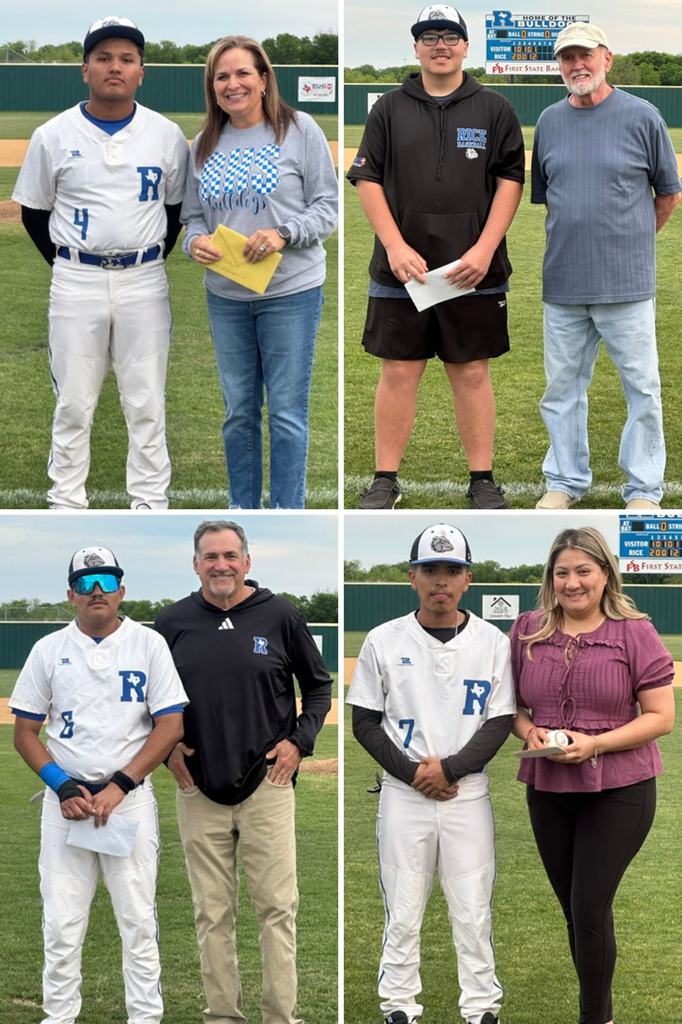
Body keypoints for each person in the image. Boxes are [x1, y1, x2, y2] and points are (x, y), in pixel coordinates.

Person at [154, 519, 333, 1024]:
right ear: (195, 565)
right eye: (210, 557)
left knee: (277, 909)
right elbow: (148, 701)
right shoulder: (171, 623)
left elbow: (319, 688)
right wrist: (166, 750)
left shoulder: (280, 615)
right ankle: (222, 1017)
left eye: (230, 555)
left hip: (268, 784)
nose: (221, 565)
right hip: (198, 788)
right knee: (212, 914)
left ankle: (281, 1017)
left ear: (247, 562)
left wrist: (299, 743)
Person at [347, 5, 524, 510]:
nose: (439, 44)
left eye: (450, 36)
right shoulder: (388, 107)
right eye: (429, 36)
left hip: (473, 268)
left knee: (470, 371)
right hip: (402, 270)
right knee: (399, 371)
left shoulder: (494, 108)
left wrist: (485, 249)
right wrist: (396, 245)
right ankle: (385, 479)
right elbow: (367, 177)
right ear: (416, 47)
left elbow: (510, 180)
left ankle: (482, 479)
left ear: (466, 47)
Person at [12, 17, 189, 510]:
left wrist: (143, 257)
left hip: (144, 279)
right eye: (104, 57)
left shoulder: (167, 134)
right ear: (84, 69)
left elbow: (174, 213)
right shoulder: (52, 134)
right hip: (76, 279)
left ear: (141, 72)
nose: (116, 66)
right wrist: (71, 264)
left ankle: (150, 503)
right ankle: (66, 501)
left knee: (147, 402)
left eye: (127, 59)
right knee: (73, 403)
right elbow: (34, 213)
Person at [9, 544, 187, 1024]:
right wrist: (62, 786)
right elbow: (25, 732)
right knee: (62, 925)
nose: (96, 592)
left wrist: (122, 783)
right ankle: (59, 1016)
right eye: (85, 584)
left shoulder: (149, 644)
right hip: (66, 804)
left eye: (106, 582)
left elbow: (170, 725)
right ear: (70, 595)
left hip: (126, 803)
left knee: (137, 922)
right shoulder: (48, 649)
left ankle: (145, 1018)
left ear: (122, 590)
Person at [347, 524, 516, 1024]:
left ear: (468, 579)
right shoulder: (383, 638)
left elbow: (501, 720)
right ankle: (399, 1005)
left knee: (472, 910)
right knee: (402, 909)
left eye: (452, 570)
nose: (440, 579)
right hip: (404, 794)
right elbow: (363, 721)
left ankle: (482, 1008)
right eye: (429, 570)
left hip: (468, 794)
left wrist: (449, 769)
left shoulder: (493, 642)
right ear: (412, 577)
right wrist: (417, 774)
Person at [510, 527, 675, 1024]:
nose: (573, 582)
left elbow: (660, 717)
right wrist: (531, 732)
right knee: (577, 913)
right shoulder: (526, 629)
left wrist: (596, 743)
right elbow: (512, 708)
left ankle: (594, 1018)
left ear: (605, 574)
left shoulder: (634, 631)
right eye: (563, 572)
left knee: (588, 908)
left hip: (620, 789)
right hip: (549, 788)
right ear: (550, 577)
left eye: (584, 571)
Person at [181, 37, 338, 510]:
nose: (233, 84)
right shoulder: (203, 143)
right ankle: (242, 506)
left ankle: (287, 507)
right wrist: (195, 242)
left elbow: (328, 208)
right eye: (222, 76)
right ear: (212, 87)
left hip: (289, 291)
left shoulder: (299, 129)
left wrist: (284, 233)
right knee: (238, 414)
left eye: (243, 73)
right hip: (226, 296)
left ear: (264, 78)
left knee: (287, 413)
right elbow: (192, 216)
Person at [532, 23, 681, 512]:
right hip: (564, 284)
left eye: (585, 55)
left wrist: (629, 242)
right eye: (567, 58)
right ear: (559, 66)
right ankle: (564, 481)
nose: (577, 65)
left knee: (642, 389)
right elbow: (548, 198)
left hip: (627, 286)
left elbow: (668, 194)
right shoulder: (549, 121)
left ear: (607, 59)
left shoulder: (643, 117)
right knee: (562, 390)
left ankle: (643, 490)